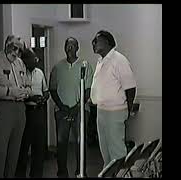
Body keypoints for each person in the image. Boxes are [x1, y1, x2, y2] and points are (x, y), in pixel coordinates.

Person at [0, 35, 31, 178]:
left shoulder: (20, 63)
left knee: (14, 154)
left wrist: (26, 92)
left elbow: (27, 83)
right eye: (14, 48)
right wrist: (9, 91)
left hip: (20, 110)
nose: (16, 53)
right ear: (6, 45)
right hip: (2, 110)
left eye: (20, 51)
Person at [90, 30, 137, 169]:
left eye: (96, 40)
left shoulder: (119, 60)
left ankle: (121, 173)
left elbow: (130, 88)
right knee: (106, 153)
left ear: (107, 42)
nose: (93, 43)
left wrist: (127, 109)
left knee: (117, 152)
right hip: (101, 111)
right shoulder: (101, 61)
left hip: (115, 111)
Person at [49, 37, 94, 178]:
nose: (69, 48)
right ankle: (62, 172)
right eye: (67, 45)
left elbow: (88, 90)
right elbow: (52, 89)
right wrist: (62, 107)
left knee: (81, 142)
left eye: (72, 45)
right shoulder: (57, 67)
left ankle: (81, 172)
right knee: (61, 143)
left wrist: (76, 108)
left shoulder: (85, 65)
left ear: (77, 48)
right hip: (61, 111)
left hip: (80, 110)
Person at [15, 48, 50, 178]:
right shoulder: (19, 74)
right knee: (23, 149)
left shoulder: (39, 73)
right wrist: (31, 98)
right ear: (25, 61)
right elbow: (18, 94)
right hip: (26, 112)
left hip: (39, 112)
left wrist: (44, 98)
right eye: (33, 59)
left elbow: (45, 90)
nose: (36, 61)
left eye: (36, 59)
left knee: (39, 148)